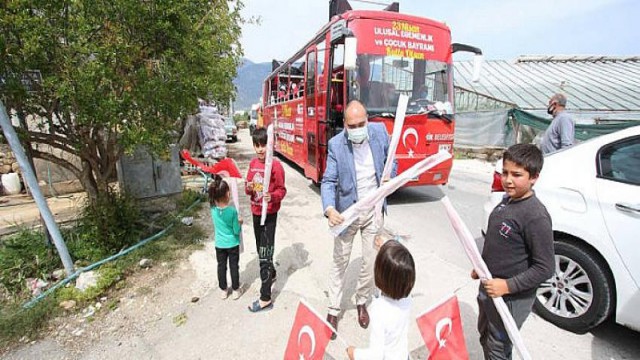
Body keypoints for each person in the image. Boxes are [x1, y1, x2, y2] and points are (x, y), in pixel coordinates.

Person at [321, 100, 396, 339]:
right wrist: (330, 209)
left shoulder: (379, 132)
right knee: (340, 261)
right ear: (345, 124)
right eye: (352, 125)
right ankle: (333, 308)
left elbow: (391, 161)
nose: (357, 129)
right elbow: (328, 181)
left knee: (370, 260)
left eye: (361, 124)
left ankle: (362, 300)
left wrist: (389, 177)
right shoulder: (336, 145)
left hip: (374, 210)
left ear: (368, 121)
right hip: (347, 213)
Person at [473, 144, 554, 359]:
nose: (508, 180)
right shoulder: (505, 202)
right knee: (485, 335)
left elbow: (545, 268)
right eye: (505, 173)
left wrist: (507, 286)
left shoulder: (535, 216)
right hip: (489, 287)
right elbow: (497, 243)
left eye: (517, 175)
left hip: (511, 298)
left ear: (534, 177)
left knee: (499, 346)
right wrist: (480, 265)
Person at [346, 240, 415, 360]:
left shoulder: (380, 310)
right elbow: (399, 272)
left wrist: (354, 353)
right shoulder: (407, 298)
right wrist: (385, 251)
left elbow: (376, 355)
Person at [245, 127, 287, 312]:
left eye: (263, 145)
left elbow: (282, 189)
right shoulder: (253, 163)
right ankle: (272, 272)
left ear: (270, 145)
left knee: (265, 253)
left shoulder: (276, 165)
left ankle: (265, 297)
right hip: (255, 212)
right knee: (260, 248)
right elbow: (248, 188)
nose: (260, 149)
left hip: (269, 214)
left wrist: (273, 196)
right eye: (257, 145)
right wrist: (248, 187)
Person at [209, 174, 243, 300]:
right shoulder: (232, 211)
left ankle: (223, 289)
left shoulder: (213, 210)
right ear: (228, 194)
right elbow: (235, 231)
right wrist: (240, 223)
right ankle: (235, 289)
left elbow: (213, 202)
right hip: (232, 244)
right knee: (234, 266)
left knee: (221, 266)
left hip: (219, 244)